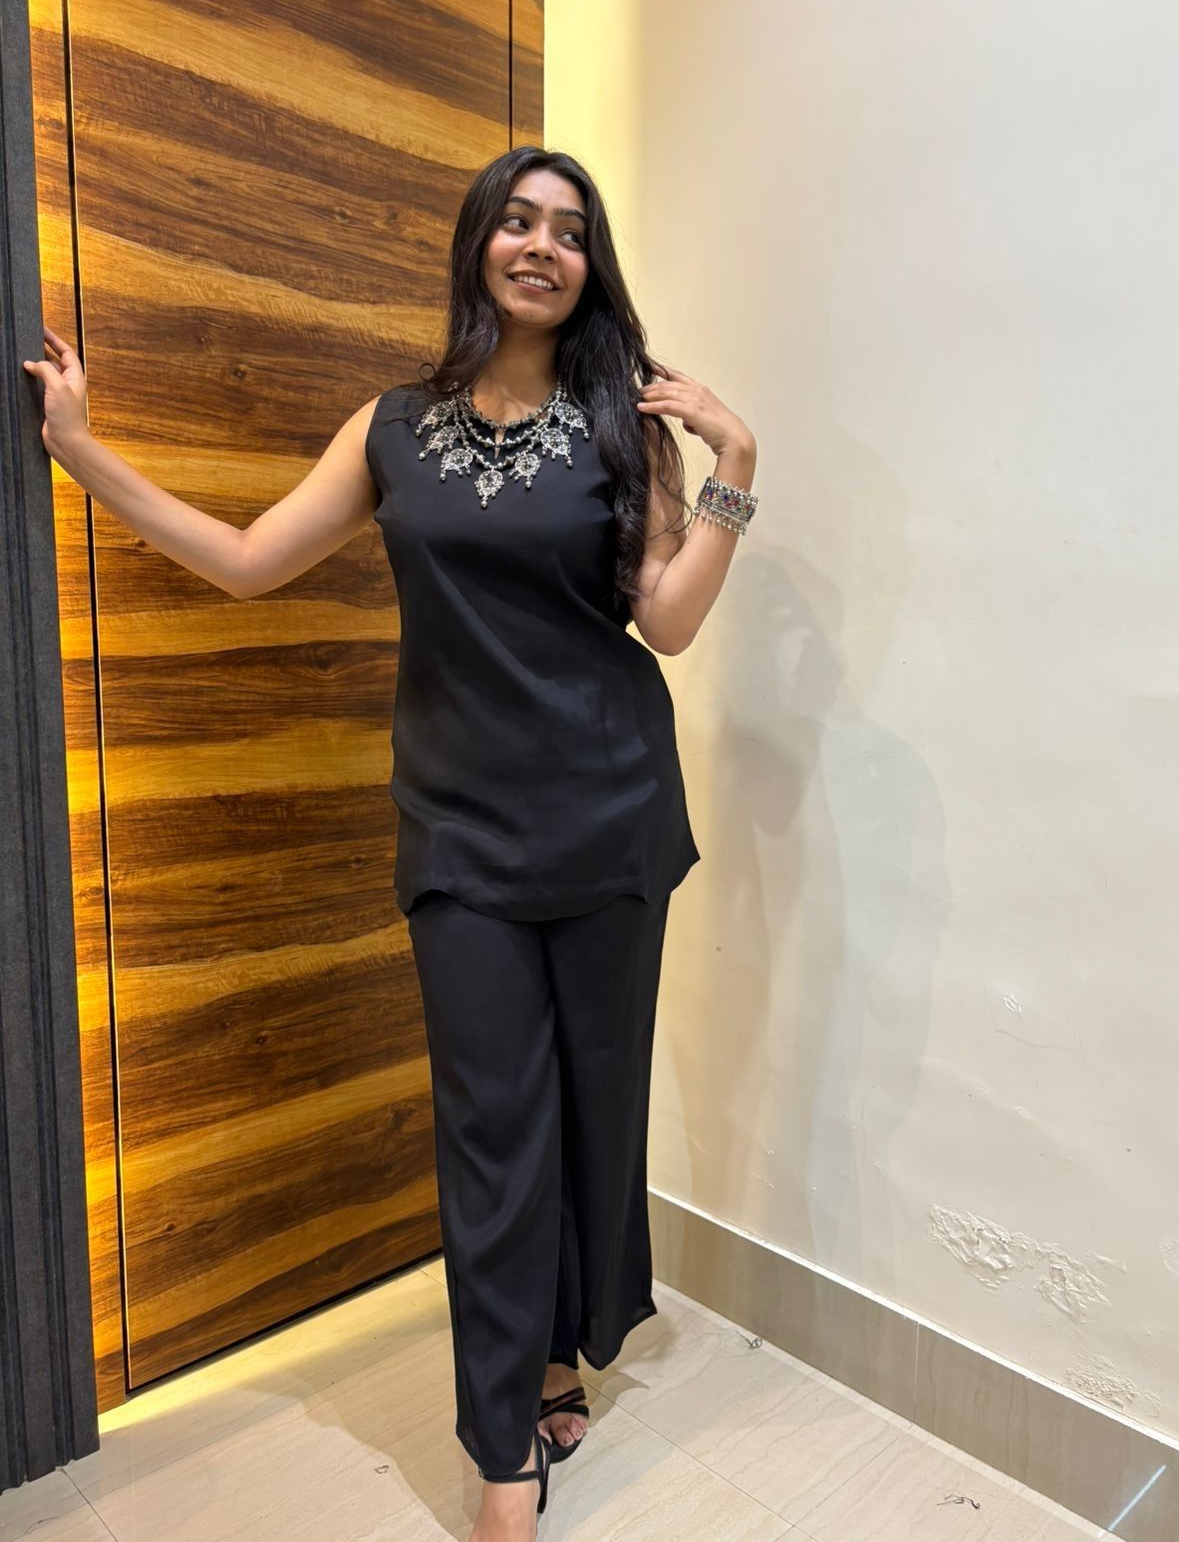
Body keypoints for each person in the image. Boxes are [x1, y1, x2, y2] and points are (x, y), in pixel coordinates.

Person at [24, 145, 759, 1542]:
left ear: (590, 267)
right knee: (492, 1130)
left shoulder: (623, 425)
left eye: (570, 231)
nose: (542, 246)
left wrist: (737, 464)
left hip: (611, 820)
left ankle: (562, 1353)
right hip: (461, 832)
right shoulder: (391, 430)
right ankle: (501, 1451)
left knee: (596, 1108)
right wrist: (78, 448)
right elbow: (250, 560)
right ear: (478, 243)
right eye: (517, 221)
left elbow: (666, 623)